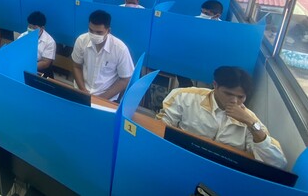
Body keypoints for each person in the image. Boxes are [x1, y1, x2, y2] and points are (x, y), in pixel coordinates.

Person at [157, 66, 287, 168]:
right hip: (182, 157)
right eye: (228, 94)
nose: (234, 101)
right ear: (215, 85)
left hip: (221, 170)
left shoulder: (249, 119)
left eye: (241, 97)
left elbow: (277, 163)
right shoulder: (184, 96)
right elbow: (159, 127)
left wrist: (251, 123)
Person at [72, 10, 134, 101]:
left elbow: (125, 79)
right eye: (91, 30)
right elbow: (76, 66)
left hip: (106, 97)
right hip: (81, 91)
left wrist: (101, 99)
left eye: (99, 32)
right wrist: (83, 91)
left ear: (108, 31)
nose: (94, 35)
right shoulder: (81, 40)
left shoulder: (120, 49)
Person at [18, 11, 56, 79]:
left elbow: (45, 63)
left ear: (42, 28)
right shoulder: (23, 36)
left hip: (41, 70)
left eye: (34, 28)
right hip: (24, 66)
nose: (31, 29)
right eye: (29, 27)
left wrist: (28, 67)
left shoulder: (50, 42)